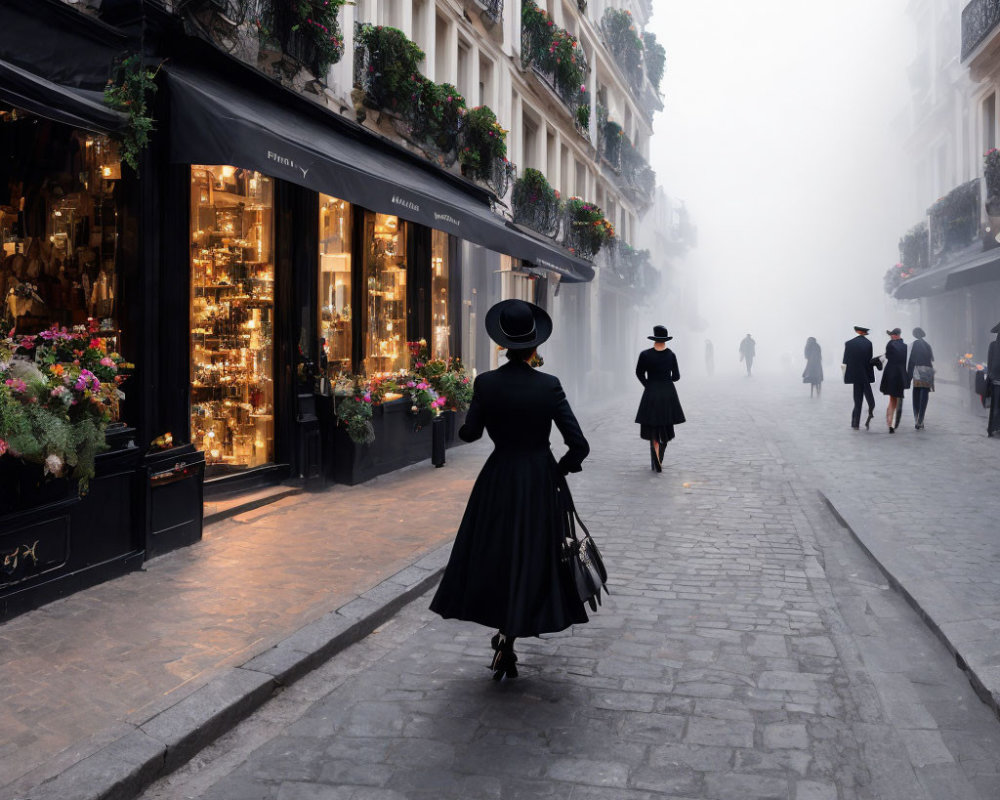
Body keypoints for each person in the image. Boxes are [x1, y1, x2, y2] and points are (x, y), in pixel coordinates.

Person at [429, 299, 590, 681]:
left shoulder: (486, 383)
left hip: (499, 478)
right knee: (533, 554)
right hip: (538, 479)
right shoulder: (549, 386)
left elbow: (471, 434)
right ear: (535, 347)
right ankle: (511, 635)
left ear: (503, 346)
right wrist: (560, 470)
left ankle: (505, 635)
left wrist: (454, 415)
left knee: (498, 552)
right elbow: (579, 444)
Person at [635, 325, 686, 472]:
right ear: (665, 340)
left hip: (651, 393)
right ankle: (660, 456)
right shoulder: (671, 355)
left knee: (652, 424)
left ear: (654, 339)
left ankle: (654, 455)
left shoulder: (645, 355)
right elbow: (676, 377)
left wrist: (648, 385)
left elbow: (639, 373)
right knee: (666, 425)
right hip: (667, 393)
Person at [842, 325, 875, 430]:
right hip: (865, 375)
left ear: (857, 332)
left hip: (855, 376)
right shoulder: (869, 344)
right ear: (864, 332)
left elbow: (845, 362)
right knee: (869, 398)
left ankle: (855, 423)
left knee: (857, 400)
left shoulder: (849, 343)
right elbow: (869, 362)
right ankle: (870, 412)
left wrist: (846, 377)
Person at [879, 328, 908, 433]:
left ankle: (890, 422)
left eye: (892, 335)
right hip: (900, 374)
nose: (890, 336)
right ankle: (891, 422)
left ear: (895, 335)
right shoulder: (905, 347)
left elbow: (887, 355)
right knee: (895, 399)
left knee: (892, 399)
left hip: (891, 373)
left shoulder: (890, 344)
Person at [907, 327, 934, 430]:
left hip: (918, 369)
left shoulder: (914, 344)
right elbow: (931, 358)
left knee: (916, 393)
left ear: (915, 335)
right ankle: (921, 419)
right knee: (924, 394)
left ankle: (917, 418)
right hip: (928, 370)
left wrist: (909, 376)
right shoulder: (927, 345)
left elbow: (911, 360)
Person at [987, 323, 1000, 436]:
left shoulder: (992, 345)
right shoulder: (993, 346)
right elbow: (990, 364)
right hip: (996, 382)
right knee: (995, 407)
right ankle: (995, 428)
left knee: (996, 407)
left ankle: (994, 428)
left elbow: (990, 365)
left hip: (995, 381)